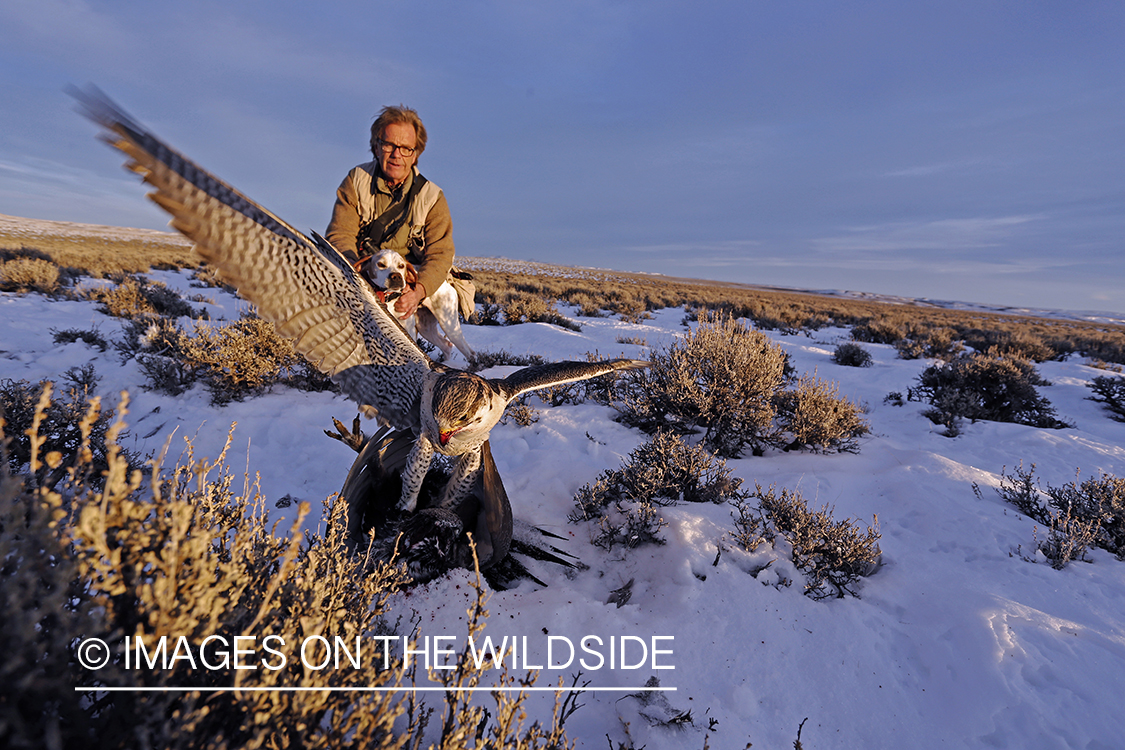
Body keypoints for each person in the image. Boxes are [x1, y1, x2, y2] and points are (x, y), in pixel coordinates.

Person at [326, 105, 455, 319]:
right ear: (376, 148)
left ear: (415, 155)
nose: (396, 155)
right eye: (388, 145)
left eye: (406, 148)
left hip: (408, 282)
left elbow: (440, 255)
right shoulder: (356, 180)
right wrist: (356, 276)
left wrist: (418, 292)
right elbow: (340, 234)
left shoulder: (432, 197)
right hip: (364, 274)